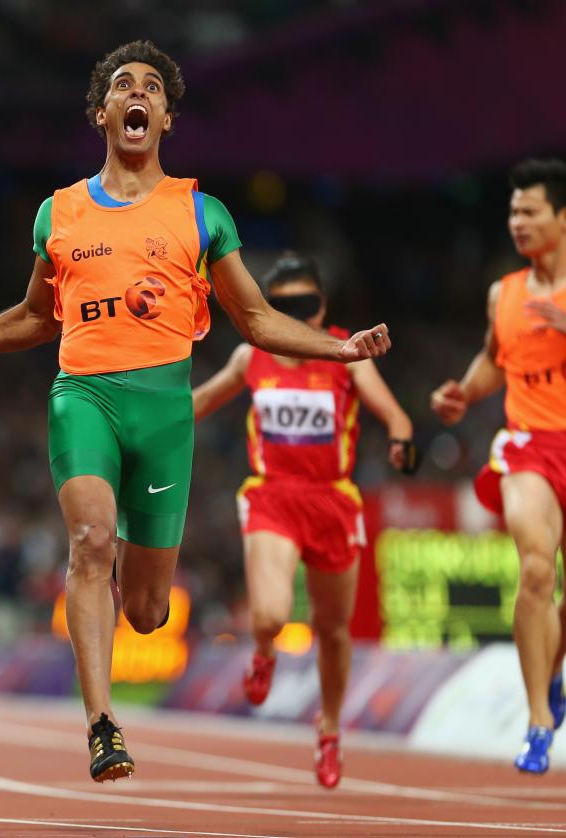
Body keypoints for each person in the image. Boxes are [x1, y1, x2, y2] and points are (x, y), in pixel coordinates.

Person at [0, 40, 392, 782]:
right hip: (84, 396)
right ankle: (102, 723)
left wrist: (338, 349)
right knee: (90, 541)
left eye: (152, 88)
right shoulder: (58, 212)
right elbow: (33, 320)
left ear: (164, 118)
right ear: (102, 114)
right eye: (123, 85)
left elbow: (253, 318)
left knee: (149, 611)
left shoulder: (200, 212)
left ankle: (130, 563)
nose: (138, 94)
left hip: (164, 414)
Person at [191, 253, 416, 788]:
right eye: (285, 306)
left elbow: (395, 413)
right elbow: (198, 403)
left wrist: (404, 440)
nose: (300, 315)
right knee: (268, 615)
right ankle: (264, 652)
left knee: (333, 628)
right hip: (273, 497)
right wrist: (144, 419)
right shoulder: (252, 356)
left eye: (307, 304)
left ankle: (330, 731)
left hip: (333, 503)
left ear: (322, 306)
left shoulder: (349, 353)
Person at [431, 157, 566, 775]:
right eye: (512, 211)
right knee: (536, 569)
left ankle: (553, 673)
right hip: (528, 444)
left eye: (530, 210)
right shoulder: (504, 292)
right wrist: (463, 390)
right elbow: (493, 358)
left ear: (561, 218)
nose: (518, 221)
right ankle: (539, 719)